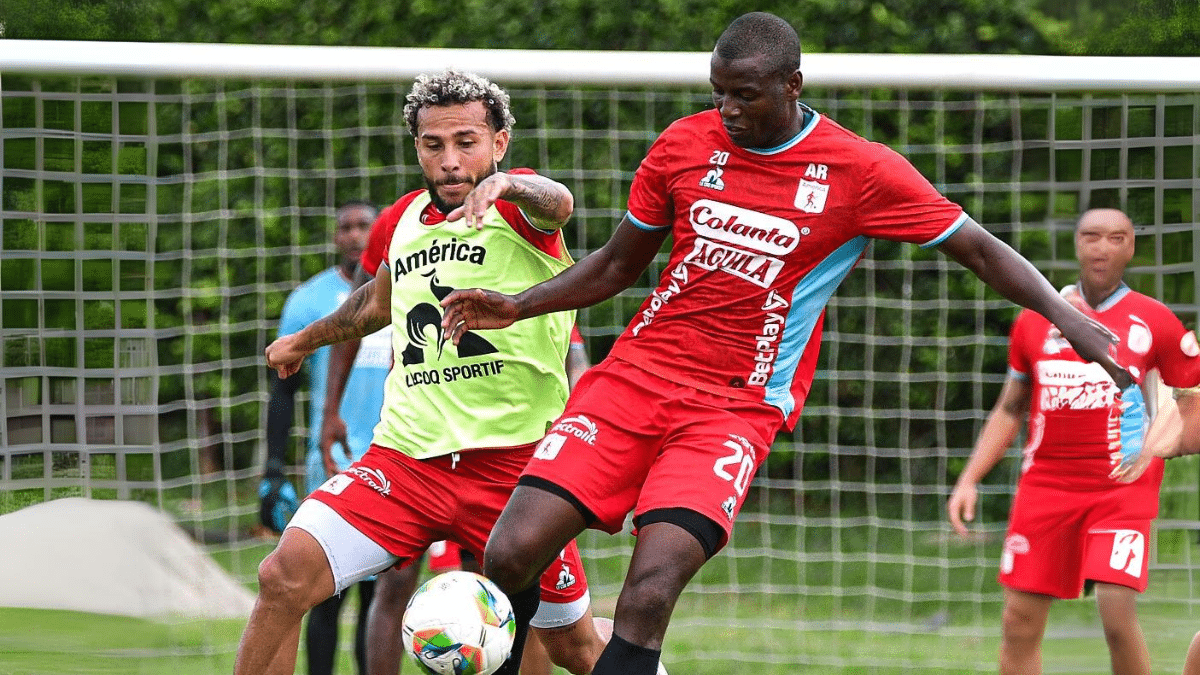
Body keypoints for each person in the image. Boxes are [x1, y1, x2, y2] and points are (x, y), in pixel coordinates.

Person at [436, 13, 1138, 675]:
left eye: (744, 96)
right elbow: (620, 265)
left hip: (732, 409)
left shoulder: (859, 171)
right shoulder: (685, 142)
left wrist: (1063, 313)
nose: (728, 111)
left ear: (791, 86)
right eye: (718, 94)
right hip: (633, 379)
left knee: (647, 596)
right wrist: (520, 304)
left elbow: (979, 249)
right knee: (510, 552)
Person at [241, 69, 623, 675]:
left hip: (513, 470)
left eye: (466, 142)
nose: (449, 160)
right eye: (433, 144)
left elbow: (560, 203)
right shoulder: (403, 222)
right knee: (283, 577)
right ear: (417, 146)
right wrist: (303, 341)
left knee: (571, 647)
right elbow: (375, 302)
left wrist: (506, 188)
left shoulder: (521, 206)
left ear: (498, 142)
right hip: (405, 464)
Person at [319, 215, 630, 675]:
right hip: (418, 453)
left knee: (522, 600)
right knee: (397, 585)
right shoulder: (411, 256)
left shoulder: (525, 284)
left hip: (506, 465)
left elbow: (575, 362)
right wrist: (332, 411)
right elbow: (361, 313)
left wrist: (574, 445)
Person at [946, 208, 1200, 675]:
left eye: (1116, 237)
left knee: (1115, 611)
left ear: (1131, 247)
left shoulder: (1155, 321)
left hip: (1122, 488)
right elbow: (1009, 409)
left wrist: (1153, 445)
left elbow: (1190, 401)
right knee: (1018, 621)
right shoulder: (1035, 320)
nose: (1102, 247)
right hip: (1045, 487)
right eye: (1091, 236)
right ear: (1077, 243)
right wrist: (969, 479)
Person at [257, 201, 406, 675]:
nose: (356, 234)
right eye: (346, 227)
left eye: (365, 225)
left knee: (381, 599)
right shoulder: (308, 299)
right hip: (332, 465)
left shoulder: (407, 289)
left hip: (399, 464)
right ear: (335, 236)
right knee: (323, 596)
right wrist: (273, 470)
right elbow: (282, 392)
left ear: (378, 234)